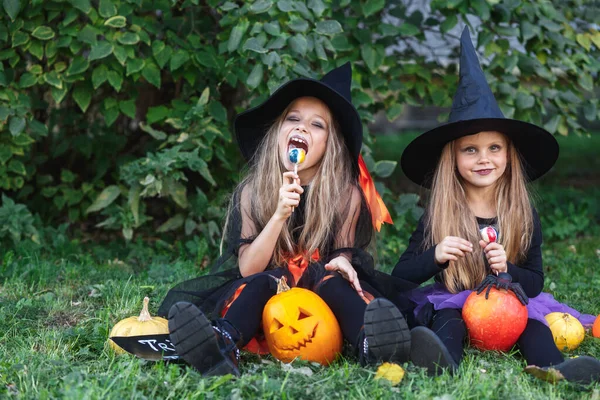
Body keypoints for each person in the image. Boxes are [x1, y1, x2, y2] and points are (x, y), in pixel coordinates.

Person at [158, 63, 417, 377]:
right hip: (269, 293)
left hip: (322, 292)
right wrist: (279, 215)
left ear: (329, 145)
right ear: (277, 131)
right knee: (259, 284)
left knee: (334, 284)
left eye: (317, 124)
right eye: (292, 119)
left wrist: (344, 261)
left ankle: (372, 345)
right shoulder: (253, 192)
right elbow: (248, 268)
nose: (302, 128)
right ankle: (222, 344)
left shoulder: (345, 195)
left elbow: (340, 256)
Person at [392, 27, 600, 385]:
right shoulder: (440, 214)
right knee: (448, 323)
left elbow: (534, 283)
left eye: (494, 148)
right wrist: (437, 254)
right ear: (452, 159)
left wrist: (510, 271)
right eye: (470, 149)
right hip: (456, 302)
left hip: (509, 306)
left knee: (533, 327)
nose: (483, 158)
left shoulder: (522, 213)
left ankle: (557, 369)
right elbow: (400, 276)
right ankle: (440, 362)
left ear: (508, 155)